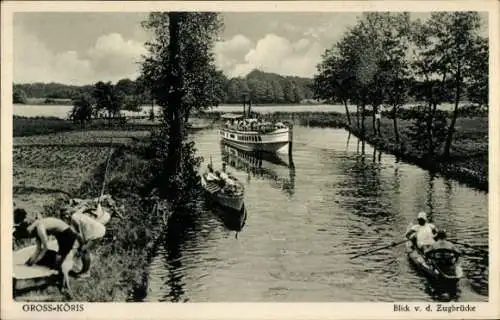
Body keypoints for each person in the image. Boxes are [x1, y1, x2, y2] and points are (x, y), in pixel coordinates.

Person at [13, 208, 78, 296]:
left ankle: (65, 288)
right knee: (56, 262)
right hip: (60, 235)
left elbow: (45, 248)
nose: (30, 238)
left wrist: (35, 261)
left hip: (68, 236)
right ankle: (56, 278)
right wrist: (29, 263)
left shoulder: (40, 229)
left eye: (29, 236)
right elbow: (38, 249)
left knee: (60, 262)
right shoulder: (34, 228)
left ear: (30, 231)